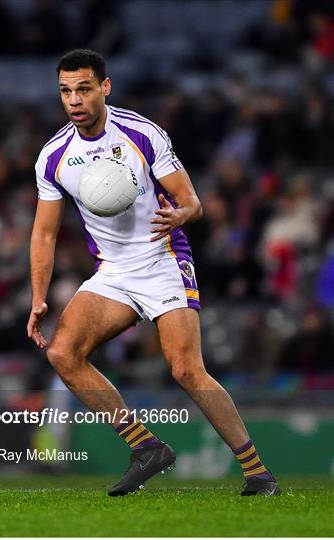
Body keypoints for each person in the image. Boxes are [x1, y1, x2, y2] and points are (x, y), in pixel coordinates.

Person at [27, 49, 280, 497]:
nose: (74, 100)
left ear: (105, 87)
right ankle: (146, 448)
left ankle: (258, 473)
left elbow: (193, 202)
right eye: (66, 91)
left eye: (84, 89)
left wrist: (182, 215)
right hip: (114, 271)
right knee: (63, 353)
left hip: (163, 258)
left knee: (186, 369)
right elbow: (44, 235)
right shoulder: (53, 156)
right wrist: (38, 297)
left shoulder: (143, 133)